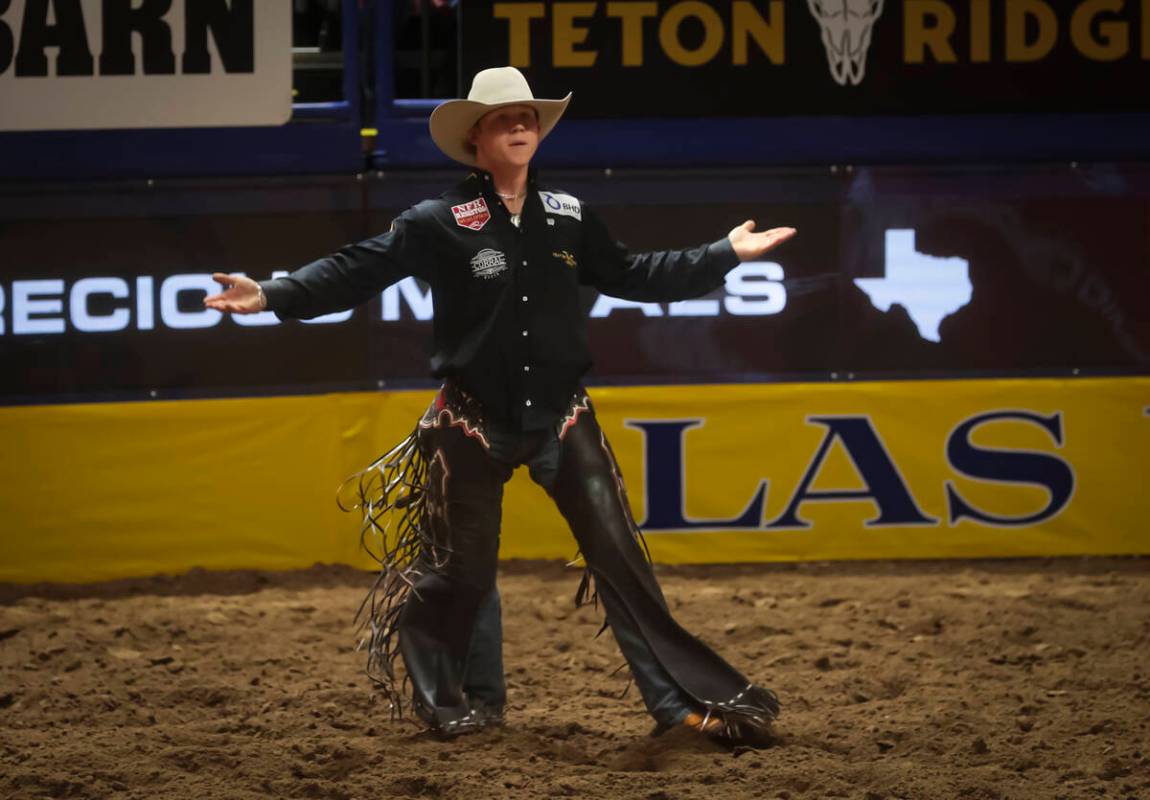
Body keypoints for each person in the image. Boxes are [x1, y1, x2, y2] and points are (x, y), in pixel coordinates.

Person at [205, 67, 796, 745]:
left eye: (528, 117)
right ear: (476, 138)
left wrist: (724, 253)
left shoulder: (571, 217)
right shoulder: (437, 222)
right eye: (503, 118)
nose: (520, 126)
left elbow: (636, 273)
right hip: (469, 418)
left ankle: (677, 703)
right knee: (461, 571)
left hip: (563, 415)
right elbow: (357, 269)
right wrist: (273, 294)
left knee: (620, 557)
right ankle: (463, 701)